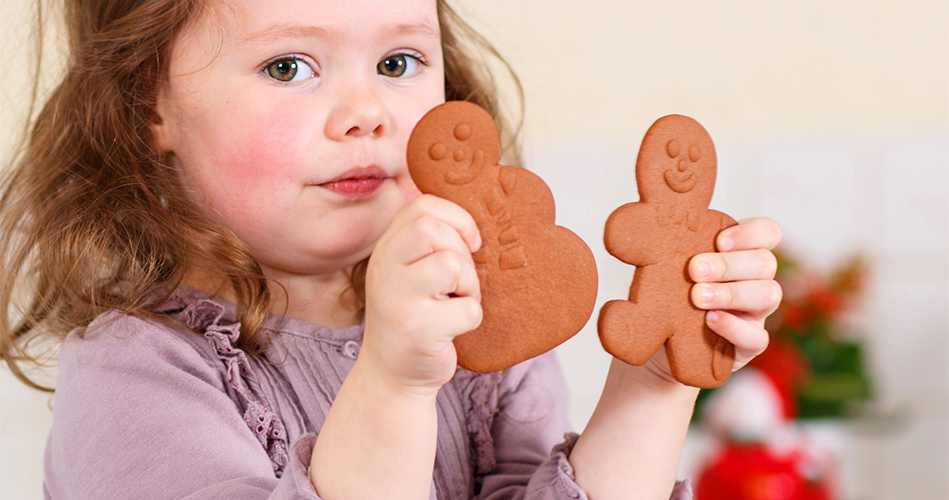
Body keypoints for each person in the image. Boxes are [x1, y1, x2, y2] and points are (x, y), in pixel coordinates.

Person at [0, 0, 782, 498]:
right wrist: (392, 383)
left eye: (397, 62)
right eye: (287, 66)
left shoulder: (482, 325)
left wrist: (654, 382)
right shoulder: (135, 374)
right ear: (149, 106)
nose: (366, 112)